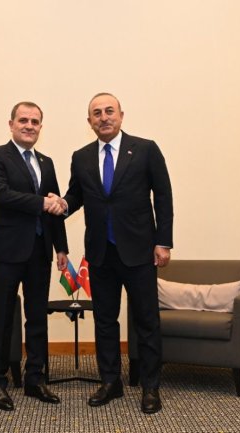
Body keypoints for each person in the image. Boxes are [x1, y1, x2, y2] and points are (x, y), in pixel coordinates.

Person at [52, 93, 173, 414]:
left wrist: (164, 242)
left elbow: (163, 196)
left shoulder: (145, 149)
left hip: (139, 252)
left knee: (146, 321)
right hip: (100, 253)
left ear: (121, 115)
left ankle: (150, 387)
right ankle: (110, 382)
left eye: (109, 111)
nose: (103, 117)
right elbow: (76, 196)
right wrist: (62, 204)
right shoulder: (81, 157)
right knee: (105, 321)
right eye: (97, 113)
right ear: (89, 121)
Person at [0, 101, 69, 411]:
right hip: (6, 251)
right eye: (23, 120)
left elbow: (55, 206)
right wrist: (42, 203)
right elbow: (1, 195)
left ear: (40, 127)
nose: (29, 126)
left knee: (37, 317)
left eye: (35, 121)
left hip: (39, 252)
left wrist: (61, 247)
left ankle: (35, 379)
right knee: (2, 318)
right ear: (11, 124)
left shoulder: (46, 162)